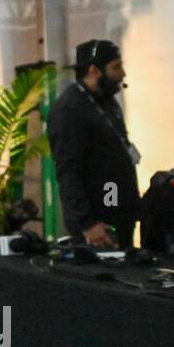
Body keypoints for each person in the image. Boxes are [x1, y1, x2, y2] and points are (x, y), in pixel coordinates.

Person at [46, 38, 142, 249]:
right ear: (93, 71)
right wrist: (87, 223)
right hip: (96, 224)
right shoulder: (69, 110)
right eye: (116, 67)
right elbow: (68, 171)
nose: (122, 73)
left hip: (118, 212)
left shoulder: (106, 101)